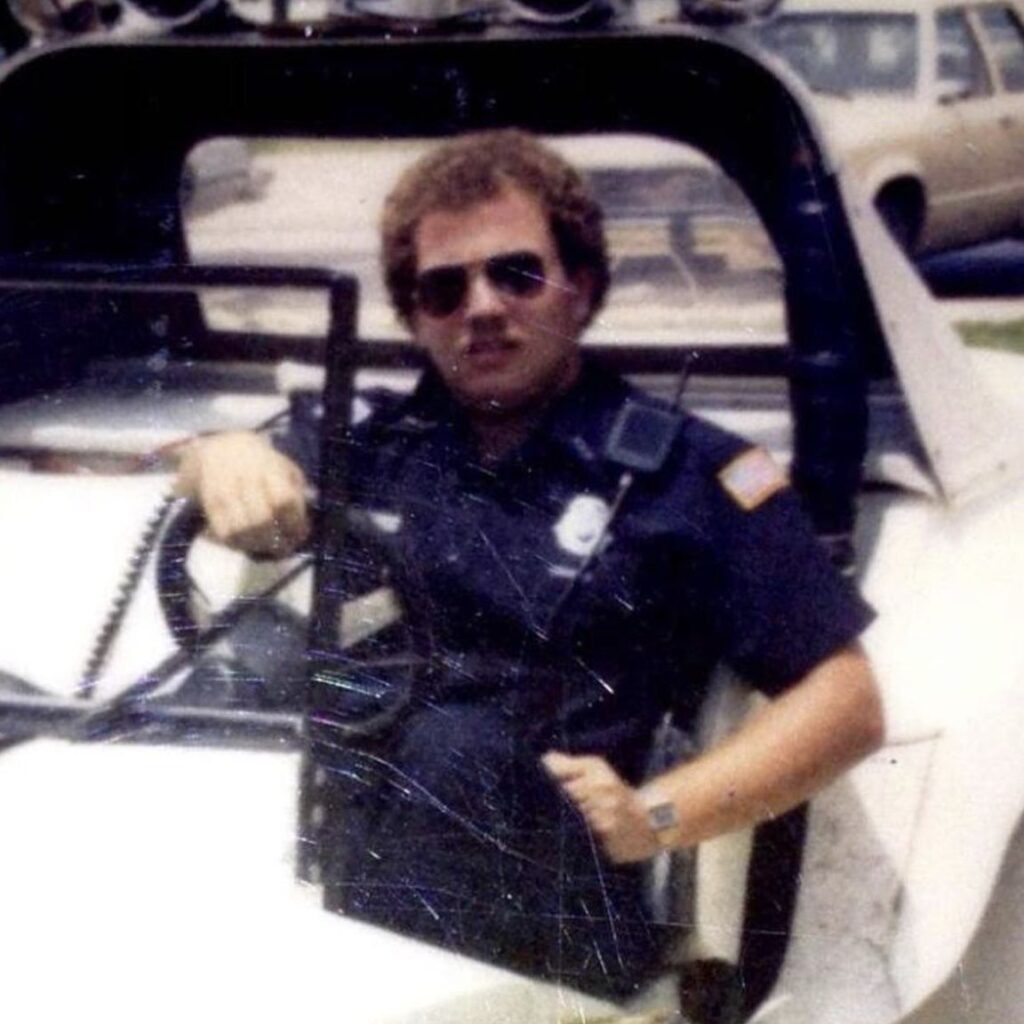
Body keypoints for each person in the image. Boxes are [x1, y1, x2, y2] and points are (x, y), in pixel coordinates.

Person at [175, 130, 883, 1001]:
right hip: (349, 893)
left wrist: (658, 815)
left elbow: (847, 703)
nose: (480, 306)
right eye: (444, 287)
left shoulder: (687, 477)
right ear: (414, 314)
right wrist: (225, 454)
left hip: (544, 927)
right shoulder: (376, 446)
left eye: (516, 274)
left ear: (580, 286)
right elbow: (199, 465)